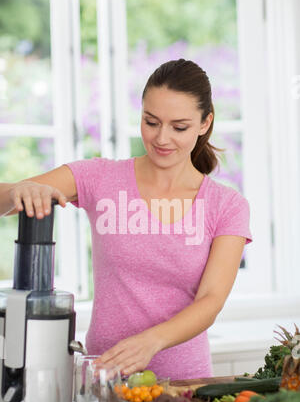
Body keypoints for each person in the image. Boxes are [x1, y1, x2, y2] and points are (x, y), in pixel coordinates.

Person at [0, 59, 252, 380]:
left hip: (183, 384)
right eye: (151, 122)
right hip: (106, 380)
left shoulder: (226, 205)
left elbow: (211, 299)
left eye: (179, 127)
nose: (162, 138)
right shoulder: (100, 178)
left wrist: (151, 342)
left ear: (205, 123)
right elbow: (6, 199)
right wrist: (21, 191)